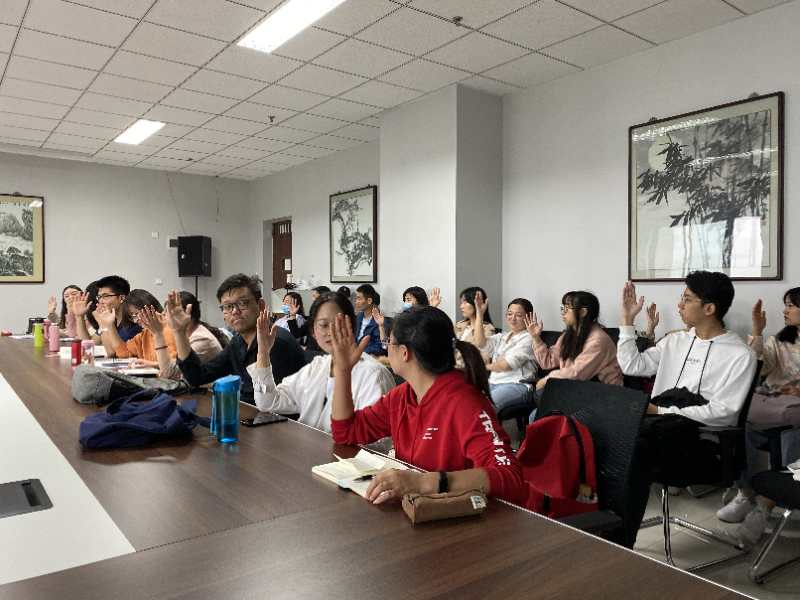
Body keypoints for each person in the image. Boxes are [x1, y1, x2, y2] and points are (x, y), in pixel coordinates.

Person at [329, 305, 528, 507]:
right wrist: (343, 370)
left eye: (389, 342)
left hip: (460, 518)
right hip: (415, 511)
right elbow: (346, 432)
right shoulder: (402, 396)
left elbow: (510, 477)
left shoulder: (464, 403)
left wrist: (424, 483)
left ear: (404, 353)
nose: (386, 347)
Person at [617, 271, 757, 541]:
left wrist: (659, 411)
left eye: (687, 299)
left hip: (702, 443)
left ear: (709, 308)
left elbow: (724, 413)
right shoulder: (675, 341)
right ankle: (604, 524)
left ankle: (620, 537)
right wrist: (627, 320)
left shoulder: (740, 354)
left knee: (630, 448)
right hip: (657, 431)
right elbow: (632, 366)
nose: (679, 305)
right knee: (607, 435)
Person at [717, 288, 800, 546]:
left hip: (791, 412)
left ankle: (765, 506)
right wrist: (757, 331)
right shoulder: (779, 341)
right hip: (769, 405)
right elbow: (756, 367)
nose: (785, 310)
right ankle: (745, 492)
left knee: (791, 431)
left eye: (791, 305)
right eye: (785, 304)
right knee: (740, 421)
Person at [248, 292, 394, 432]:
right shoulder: (317, 367)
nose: (331, 331)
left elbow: (376, 442)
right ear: (313, 332)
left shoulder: (374, 374)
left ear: (352, 326)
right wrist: (263, 353)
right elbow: (268, 403)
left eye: (338, 323)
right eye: (324, 325)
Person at [169, 274, 306, 404]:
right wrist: (180, 332)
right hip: (251, 412)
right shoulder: (238, 342)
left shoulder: (276, 341)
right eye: (228, 306)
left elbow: (272, 403)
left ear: (261, 306)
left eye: (243, 303)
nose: (235, 311)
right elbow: (198, 377)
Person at [526, 291, 622, 398]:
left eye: (567, 308)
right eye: (562, 308)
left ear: (583, 312)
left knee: (542, 397)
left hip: (605, 394)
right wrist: (536, 338)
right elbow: (548, 362)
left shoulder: (598, 340)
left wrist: (546, 380)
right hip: (577, 387)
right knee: (539, 396)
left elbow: (577, 373)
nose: (563, 312)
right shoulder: (568, 335)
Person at [134, 291, 226, 380]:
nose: (164, 317)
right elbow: (179, 363)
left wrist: (157, 333)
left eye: (167, 313)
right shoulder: (190, 334)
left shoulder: (201, 339)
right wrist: (153, 364)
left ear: (186, 314)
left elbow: (168, 373)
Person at [472, 297, 537, 412]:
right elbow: (480, 342)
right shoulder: (502, 336)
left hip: (517, 385)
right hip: (493, 383)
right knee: (466, 401)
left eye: (518, 315)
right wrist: (480, 314)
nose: (513, 318)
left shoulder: (529, 338)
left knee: (483, 407)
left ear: (528, 318)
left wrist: (483, 367)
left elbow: (506, 365)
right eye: (510, 314)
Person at [94, 289, 176, 361]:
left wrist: (148, 364)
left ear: (150, 308)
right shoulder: (144, 334)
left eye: (137, 314)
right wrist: (110, 325)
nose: (136, 320)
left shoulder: (168, 329)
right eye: (132, 316)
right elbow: (124, 354)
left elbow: (172, 365)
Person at [73, 275, 140, 343]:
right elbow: (90, 343)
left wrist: (104, 324)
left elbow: (114, 349)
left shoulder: (134, 323)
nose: (100, 301)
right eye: (99, 297)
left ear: (121, 298)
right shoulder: (113, 319)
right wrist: (79, 317)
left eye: (105, 296)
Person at [454, 287, 495, 355]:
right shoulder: (459, 325)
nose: (461, 307)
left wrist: (479, 312)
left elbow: (484, 354)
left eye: (465, 303)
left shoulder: (487, 328)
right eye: (461, 303)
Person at [354, 284, 382, 355]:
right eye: (356, 299)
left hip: (368, 356)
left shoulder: (379, 320)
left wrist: (359, 351)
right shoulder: (359, 317)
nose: (356, 302)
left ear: (369, 300)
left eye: (359, 299)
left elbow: (379, 347)